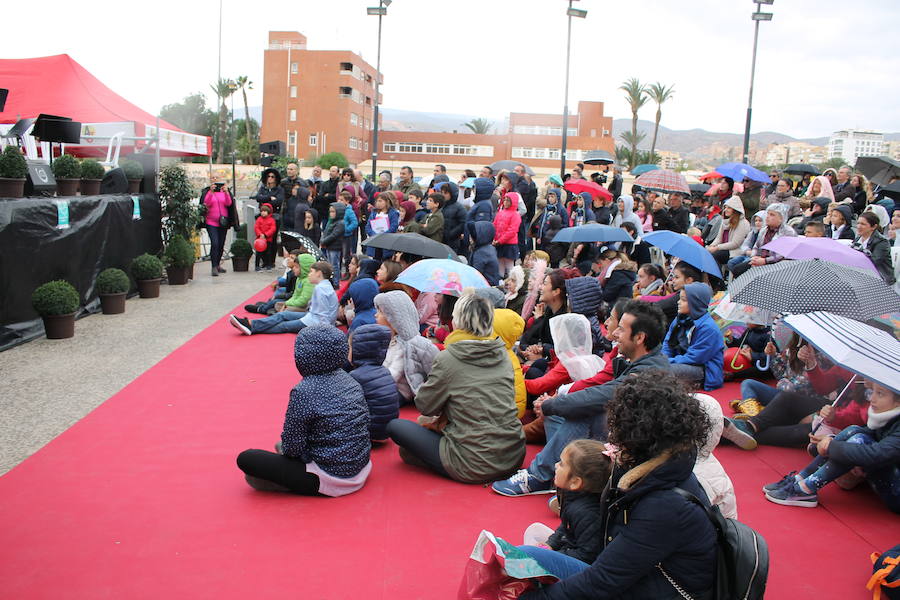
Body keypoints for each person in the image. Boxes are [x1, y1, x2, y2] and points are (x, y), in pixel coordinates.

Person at [516, 371, 717, 600]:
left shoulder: (665, 505)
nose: (610, 431)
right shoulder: (665, 467)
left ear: (634, 431)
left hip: (656, 591)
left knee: (523, 562)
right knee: (521, 559)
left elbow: (603, 581)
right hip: (642, 580)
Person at [493, 301, 671, 496]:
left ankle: (539, 475)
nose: (615, 333)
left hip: (633, 448)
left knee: (582, 411)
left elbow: (600, 395)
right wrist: (554, 404)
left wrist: (551, 403)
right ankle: (561, 470)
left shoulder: (647, 371)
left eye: (621, 328)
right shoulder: (639, 361)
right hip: (624, 434)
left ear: (639, 337)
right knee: (562, 409)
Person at [386, 291, 525, 482]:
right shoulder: (504, 354)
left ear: (458, 321)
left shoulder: (449, 357)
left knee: (397, 427)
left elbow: (426, 406)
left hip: (471, 461)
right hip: (513, 455)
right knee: (420, 428)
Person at [235, 325, 371, 495]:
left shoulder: (304, 391)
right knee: (279, 447)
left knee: (247, 459)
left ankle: (300, 484)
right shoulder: (351, 381)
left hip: (331, 475)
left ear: (303, 356)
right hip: (360, 465)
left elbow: (292, 447)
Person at [763, 381, 899, 512]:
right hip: (884, 471)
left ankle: (806, 489)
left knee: (858, 440)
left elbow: (878, 454)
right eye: (872, 392)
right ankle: (801, 478)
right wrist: (830, 440)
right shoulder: (888, 416)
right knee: (854, 430)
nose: (872, 398)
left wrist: (831, 446)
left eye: (880, 394)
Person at [517, 440, 610, 563]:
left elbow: (587, 556)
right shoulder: (574, 496)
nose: (556, 465)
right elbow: (566, 528)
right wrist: (551, 544)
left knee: (530, 553)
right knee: (534, 530)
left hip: (582, 566)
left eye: (562, 464)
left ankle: (530, 571)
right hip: (570, 549)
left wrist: (553, 555)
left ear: (575, 482)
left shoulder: (588, 513)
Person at [229, 261, 337, 335]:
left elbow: (323, 316)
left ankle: (252, 327)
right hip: (311, 317)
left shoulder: (321, 289)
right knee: (283, 315)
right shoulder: (323, 286)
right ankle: (251, 324)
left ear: (319, 274)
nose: (309, 274)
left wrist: (324, 332)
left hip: (314, 323)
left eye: (311, 272)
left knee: (283, 326)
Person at [374, 290, 439, 404]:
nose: (376, 315)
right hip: (389, 387)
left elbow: (392, 375)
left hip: (400, 391)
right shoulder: (387, 340)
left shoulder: (406, 345)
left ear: (393, 317)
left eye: (380, 312)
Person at [662, 282, 724, 391]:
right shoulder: (680, 319)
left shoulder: (708, 328)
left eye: (683, 300)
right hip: (679, 361)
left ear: (695, 303)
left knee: (662, 370)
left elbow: (694, 358)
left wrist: (666, 362)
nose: (678, 302)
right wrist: (663, 358)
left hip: (703, 370)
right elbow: (668, 343)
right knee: (649, 363)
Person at [347, 324, 399, 444]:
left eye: (349, 347)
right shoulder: (385, 371)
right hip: (386, 430)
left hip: (369, 432)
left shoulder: (356, 376)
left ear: (358, 351)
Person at [729, 203, 796, 279]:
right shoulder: (764, 230)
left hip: (777, 264)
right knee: (737, 269)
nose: (767, 217)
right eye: (768, 214)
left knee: (751, 274)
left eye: (772, 215)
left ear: (781, 218)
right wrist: (754, 257)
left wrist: (765, 261)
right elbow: (756, 246)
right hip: (761, 259)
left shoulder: (788, 232)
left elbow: (783, 254)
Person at [200, 179, 234, 277]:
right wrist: (211, 192)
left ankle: (218, 264)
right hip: (211, 222)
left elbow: (229, 203)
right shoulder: (208, 192)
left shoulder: (224, 192)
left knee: (221, 244)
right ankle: (214, 266)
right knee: (215, 243)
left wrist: (226, 192)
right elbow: (206, 203)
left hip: (223, 222)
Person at [853, 211, 895, 285]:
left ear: (874, 227)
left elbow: (873, 261)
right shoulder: (857, 240)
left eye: (863, 224)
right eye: (858, 223)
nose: (858, 226)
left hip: (881, 279)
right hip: (862, 276)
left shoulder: (882, 242)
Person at [707, 196, 751, 267]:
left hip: (734, 251)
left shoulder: (743, 223)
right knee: (707, 253)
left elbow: (735, 243)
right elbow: (718, 238)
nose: (725, 210)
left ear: (735, 209)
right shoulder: (725, 222)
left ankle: (716, 274)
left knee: (714, 255)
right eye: (725, 207)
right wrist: (711, 246)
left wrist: (717, 248)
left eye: (729, 208)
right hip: (723, 249)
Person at [494, 191, 522, 277]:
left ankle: (512, 281)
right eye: (505, 200)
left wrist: (500, 240)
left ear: (513, 202)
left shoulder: (515, 215)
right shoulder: (500, 213)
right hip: (498, 242)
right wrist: (494, 238)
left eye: (508, 200)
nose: (505, 202)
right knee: (500, 264)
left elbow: (512, 231)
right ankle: (500, 280)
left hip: (509, 244)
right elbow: (495, 225)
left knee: (509, 265)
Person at [435, 181, 466, 253]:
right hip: (440, 240)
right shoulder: (441, 206)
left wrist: (451, 234)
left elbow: (463, 223)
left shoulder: (459, 208)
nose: (443, 195)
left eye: (445, 193)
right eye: (442, 192)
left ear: (452, 194)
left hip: (453, 243)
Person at [364, 193, 399, 258]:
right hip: (375, 241)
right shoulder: (374, 213)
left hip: (387, 242)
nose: (378, 203)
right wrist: (374, 234)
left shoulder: (393, 213)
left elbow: (393, 227)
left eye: (380, 201)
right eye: (377, 201)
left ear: (387, 202)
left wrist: (383, 235)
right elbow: (368, 227)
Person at [320, 203, 346, 286]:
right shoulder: (331, 222)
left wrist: (324, 241)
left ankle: (336, 282)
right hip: (329, 246)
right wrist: (322, 239)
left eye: (333, 212)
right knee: (330, 265)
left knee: (335, 266)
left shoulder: (341, 223)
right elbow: (326, 232)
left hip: (335, 247)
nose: (331, 214)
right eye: (330, 212)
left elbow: (334, 235)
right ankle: (331, 280)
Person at [469, 221, 500, 286]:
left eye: (472, 236)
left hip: (485, 287)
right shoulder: (489, 247)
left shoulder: (482, 252)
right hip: (491, 284)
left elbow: (475, 274)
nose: (470, 239)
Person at [254, 203, 277, 271]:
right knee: (258, 253)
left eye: (265, 211)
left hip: (268, 239)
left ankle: (268, 264)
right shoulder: (259, 219)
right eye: (262, 211)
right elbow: (256, 227)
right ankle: (257, 265)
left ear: (268, 212)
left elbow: (273, 229)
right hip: (260, 239)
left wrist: (265, 235)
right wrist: (260, 234)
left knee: (268, 252)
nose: (263, 213)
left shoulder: (271, 220)